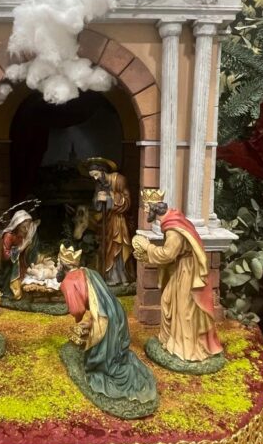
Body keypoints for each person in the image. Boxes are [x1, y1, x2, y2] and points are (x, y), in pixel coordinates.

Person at [57, 244, 156, 406]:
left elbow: (77, 309)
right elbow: (97, 297)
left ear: (62, 265)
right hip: (116, 311)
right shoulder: (89, 272)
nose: (57, 266)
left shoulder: (68, 282)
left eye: (58, 263)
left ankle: (103, 365)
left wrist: (80, 321)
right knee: (113, 350)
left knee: (101, 361)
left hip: (104, 319)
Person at [132, 190, 223, 362]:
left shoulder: (173, 229)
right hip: (182, 268)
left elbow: (167, 254)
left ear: (153, 209)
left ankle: (185, 348)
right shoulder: (174, 218)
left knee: (184, 308)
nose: (145, 211)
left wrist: (147, 247)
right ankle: (169, 338)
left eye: (146, 207)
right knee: (168, 300)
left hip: (187, 271)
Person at [85, 157, 134, 286]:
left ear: (103, 171)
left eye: (96, 174)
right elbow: (96, 204)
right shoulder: (99, 184)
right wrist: (98, 200)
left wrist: (109, 198)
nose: (95, 178)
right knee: (107, 249)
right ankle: (110, 277)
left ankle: (123, 277)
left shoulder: (119, 180)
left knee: (118, 246)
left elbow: (127, 200)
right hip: (106, 221)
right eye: (92, 176)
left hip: (118, 221)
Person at [1, 207, 40, 299]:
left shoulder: (24, 234)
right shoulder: (8, 236)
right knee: (16, 288)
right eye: (23, 227)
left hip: (22, 264)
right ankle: (10, 290)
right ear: (17, 225)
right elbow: (6, 256)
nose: (26, 229)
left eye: (28, 226)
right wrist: (22, 247)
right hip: (11, 266)